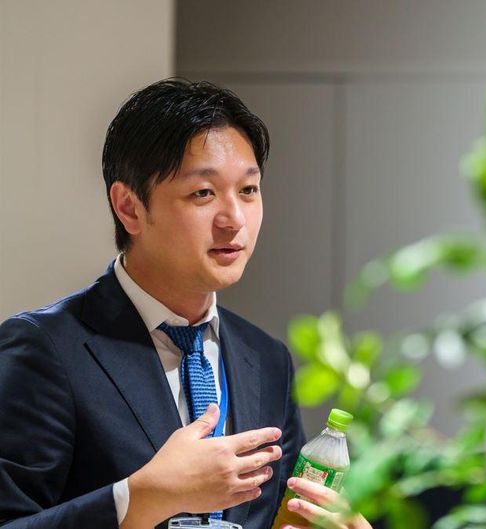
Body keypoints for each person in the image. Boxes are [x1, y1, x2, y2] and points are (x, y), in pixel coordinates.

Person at [0, 79, 371, 529]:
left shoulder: (266, 358)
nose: (234, 219)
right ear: (129, 207)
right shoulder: (45, 348)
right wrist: (139, 498)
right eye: (203, 193)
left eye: (248, 190)